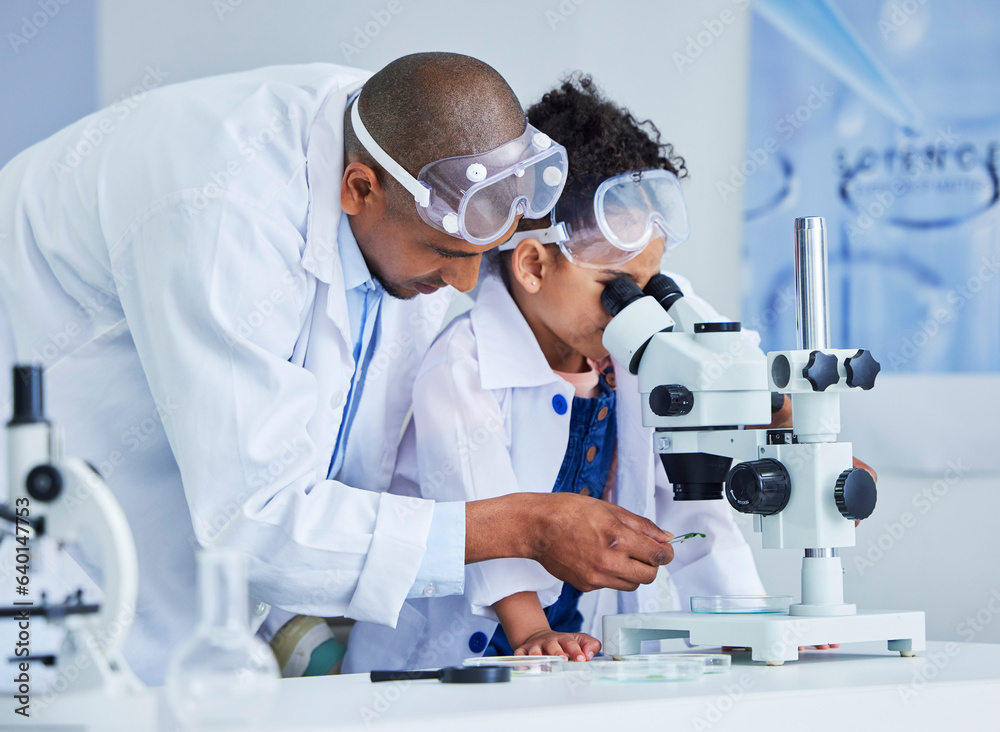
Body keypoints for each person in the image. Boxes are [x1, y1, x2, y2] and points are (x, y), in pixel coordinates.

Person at [0, 55, 674, 684]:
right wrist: (526, 525)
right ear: (359, 189)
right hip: (43, 509)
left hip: (180, 553)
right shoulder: (225, 212)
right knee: (49, 683)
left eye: (482, 254)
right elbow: (257, 518)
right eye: (445, 252)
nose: (466, 281)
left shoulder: (415, 149)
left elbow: (333, 434)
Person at [341, 76, 771, 673]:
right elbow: (486, 506)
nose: (636, 311)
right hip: (444, 656)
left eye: (648, 289)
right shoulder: (461, 366)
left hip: (575, 651)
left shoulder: (638, 364)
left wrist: (752, 625)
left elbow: (696, 516)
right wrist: (532, 631)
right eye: (614, 289)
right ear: (533, 264)